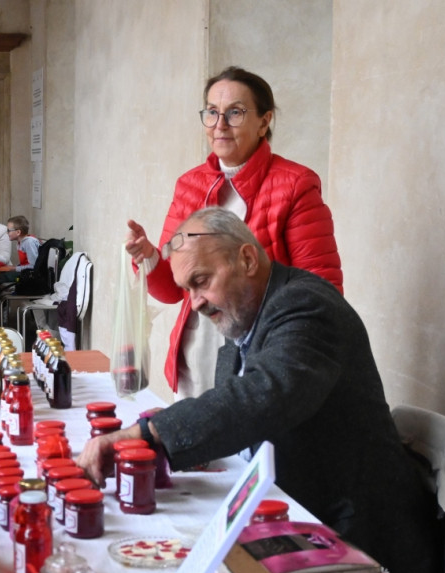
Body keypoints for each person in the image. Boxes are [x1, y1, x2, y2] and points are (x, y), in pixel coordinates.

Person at [78, 207, 441, 573]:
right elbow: (234, 406)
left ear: (247, 258)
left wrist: (148, 435)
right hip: (296, 511)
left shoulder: (307, 306)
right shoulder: (248, 315)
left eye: (201, 281)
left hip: (355, 540)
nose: (196, 302)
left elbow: (262, 397)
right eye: (187, 289)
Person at [126, 66, 343, 399]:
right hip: (197, 355)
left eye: (235, 113)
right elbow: (172, 289)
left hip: (262, 357)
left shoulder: (295, 185)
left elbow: (321, 294)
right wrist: (150, 257)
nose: (220, 125)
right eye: (212, 113)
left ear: (264, 120)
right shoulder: (190, 185)